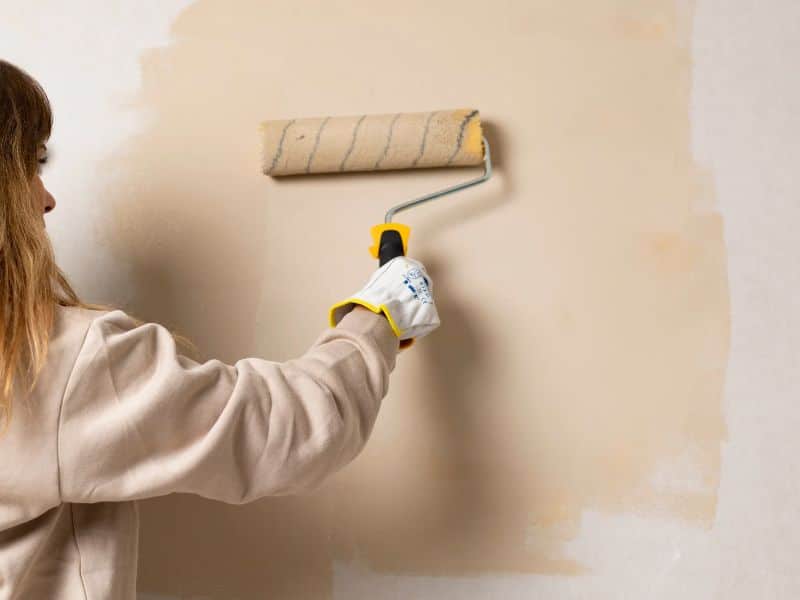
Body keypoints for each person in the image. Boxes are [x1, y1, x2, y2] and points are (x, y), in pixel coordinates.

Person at [0, 60, 440, 599]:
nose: (46, 199)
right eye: (29, 165)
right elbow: (293, 430)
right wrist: (379, 317)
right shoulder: (51, 360)